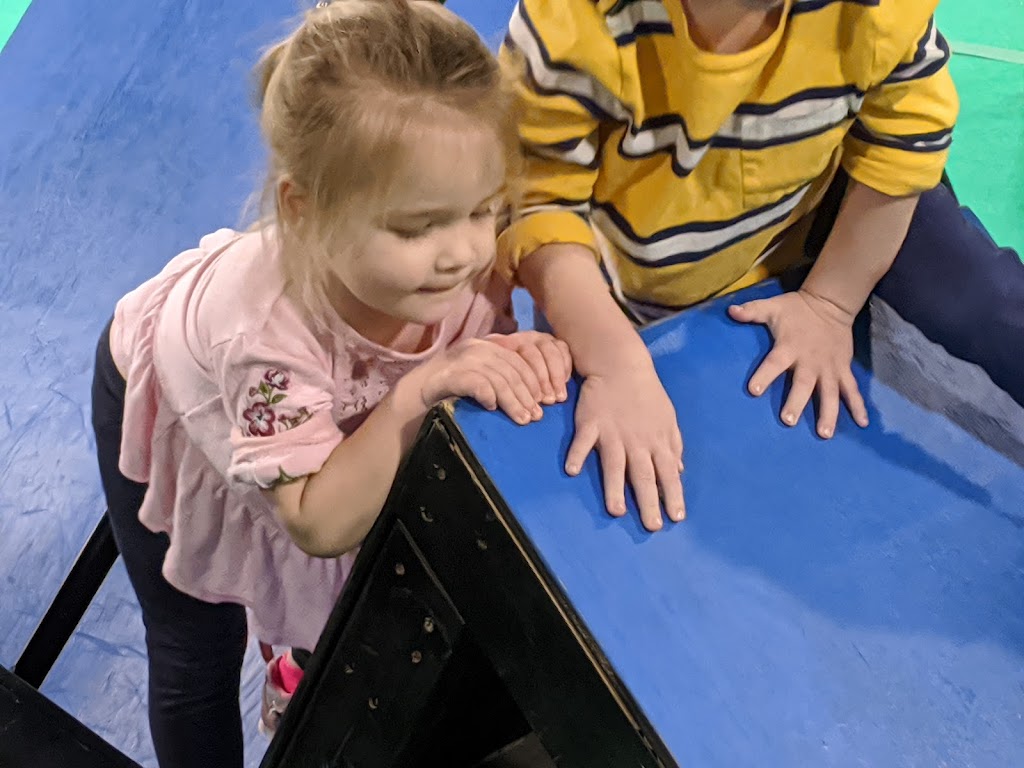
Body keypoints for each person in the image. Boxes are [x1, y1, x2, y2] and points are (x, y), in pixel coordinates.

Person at [90, 1, 571, 765]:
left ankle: (299, 664)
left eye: (483, 211)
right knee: (193, 649)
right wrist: (420, 390)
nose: (463, 252)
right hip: (178, 410)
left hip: (327, 435)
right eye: (416, 228)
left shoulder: (462, 266)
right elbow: (316, 522)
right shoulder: (263, 339)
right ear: (303, 210)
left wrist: (531, 359)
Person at [498, 0, 1024, 532]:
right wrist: (616, 362)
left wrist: (831, 301)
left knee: (990, 302)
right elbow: (539, 208)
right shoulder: (573, 25)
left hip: (840, 212)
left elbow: (903, 141)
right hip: (638, 281)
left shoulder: (878, 13)